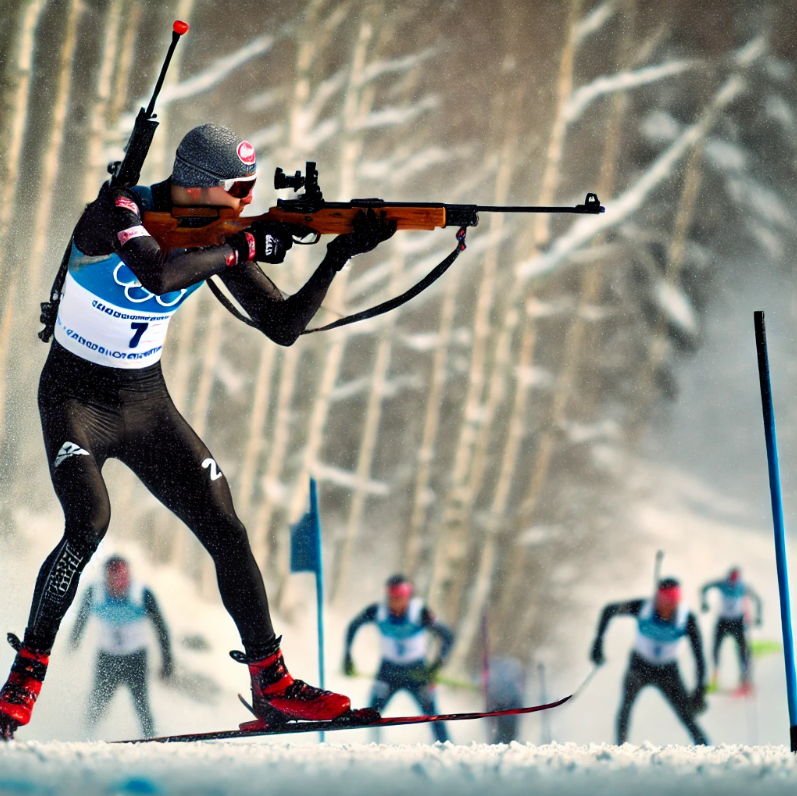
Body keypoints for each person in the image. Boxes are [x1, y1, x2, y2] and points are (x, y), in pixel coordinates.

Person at [0, 124, 395, 739]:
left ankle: (273, 685)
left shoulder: (213, 234)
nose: (247, 200)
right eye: (238, 189)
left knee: (226, 527)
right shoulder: (118, 211)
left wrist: (337, 255)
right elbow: (158, 275)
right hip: (76, 400)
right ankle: (25, 678)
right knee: (89, 522)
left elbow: (283, 325)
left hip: (144, 402)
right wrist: (246, 245)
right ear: (196, 184)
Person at [590, 578, 709, 745]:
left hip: (668, 671)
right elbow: (609, 610)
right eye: (665, 602)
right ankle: (620, 748)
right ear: (658, 599)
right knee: (626, 707)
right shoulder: (642, 607)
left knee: (687, 715)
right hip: (640, 665)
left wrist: (700, 690)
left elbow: (699, 657)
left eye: (673, 603)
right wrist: (598, 643)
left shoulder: (687, 619)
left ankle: (705, 748)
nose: (668, 608)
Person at [69, 556, 172, 738]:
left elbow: (161, 628)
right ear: (106, 578)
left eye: (123, 577)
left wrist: (167, 661)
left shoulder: (142, 593)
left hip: (135, 658)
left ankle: (151, 739)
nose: (118, 583)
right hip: (107, 657)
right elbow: (80, 620)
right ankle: (81, 737)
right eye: (113, 578)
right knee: (97, 704)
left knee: (141, 704)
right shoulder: (95, 592)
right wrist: (73, 642)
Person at [343, 575, 454, 743]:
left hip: (417, 671)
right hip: (389, 670)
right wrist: (347, 655)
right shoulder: (377, 611)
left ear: (408, 596)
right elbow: (353, 626)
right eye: (393, 597)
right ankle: (373, 747)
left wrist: (437, 665)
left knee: (432, 713)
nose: (397, 601)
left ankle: (446, 746)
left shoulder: (420, 612)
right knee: (371, 712)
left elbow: (447, 636)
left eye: (401, 596)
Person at [701, 567, 762, 695]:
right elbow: (704, 588)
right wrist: (704, 603)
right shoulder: (722, 583)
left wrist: (759, 616)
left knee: (743, 650)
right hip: (723, 621)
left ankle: (745, 678)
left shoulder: (743, 586)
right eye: (732, 580)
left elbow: (758, 600)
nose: (733, 583)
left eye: (735, 580)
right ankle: (715, 673)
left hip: (737, 622)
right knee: (716, 647)